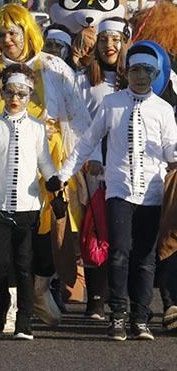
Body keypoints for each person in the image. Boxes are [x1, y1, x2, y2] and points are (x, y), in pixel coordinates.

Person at [0, 4, 90, 330]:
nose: (7, 40)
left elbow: (80, 121)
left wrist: (82, 165)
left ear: (27, 32)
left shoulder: (54, 67)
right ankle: (9, 302)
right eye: (1, 34)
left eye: (12, 32)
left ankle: (38, 292)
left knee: (45, 242)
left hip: (46, 168)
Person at [57, 44, 177, 341]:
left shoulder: (163, 110)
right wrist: (61, 175)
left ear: (156, 75)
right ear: (126, 73)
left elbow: (170, 150)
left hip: (150, 194)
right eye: (135, 71)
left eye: (147, 72)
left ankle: (141, 316)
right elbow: (87, 142)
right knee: (120, 253)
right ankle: (118, 316)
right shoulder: (112, 104)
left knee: (146, 257)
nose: (140, 77)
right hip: (119, 191)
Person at [0, 63, 59, 341]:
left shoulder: (37, 128)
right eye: (10, 92)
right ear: (2, 93)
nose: (15, 99)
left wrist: (55, 186)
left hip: (28, 209)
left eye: (22, 94)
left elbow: (46, 163)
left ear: (30, 96)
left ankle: (24, 321)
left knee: (24, 264)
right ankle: (1, 301)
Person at [77, 18, 130, 320]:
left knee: (122, 232)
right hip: (95, 166)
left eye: (115, 39)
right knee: (95, 230)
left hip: (125, 164)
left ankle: (119, 297)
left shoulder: (133, 78)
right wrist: (92, 156)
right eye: (103, 40)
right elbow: (81, 122)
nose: (109, 46)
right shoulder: (85, 80)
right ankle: (95, 297)